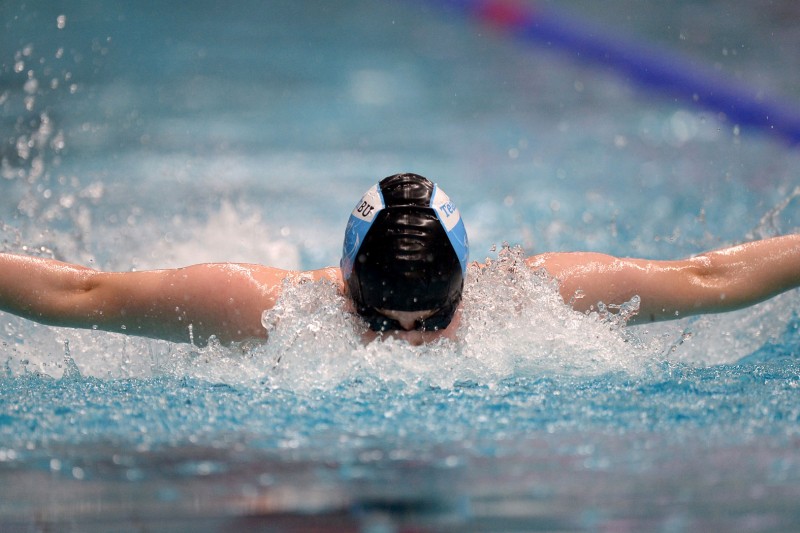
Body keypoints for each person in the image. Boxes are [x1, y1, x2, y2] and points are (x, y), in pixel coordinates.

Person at [0, 173, 798, 347]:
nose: (410, 347)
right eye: (380, 322)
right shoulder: (269, 307)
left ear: (464, 290)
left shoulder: (525, 300)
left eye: (433, 319)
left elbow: (707, 277)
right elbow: (84, 290)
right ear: (344, 286)